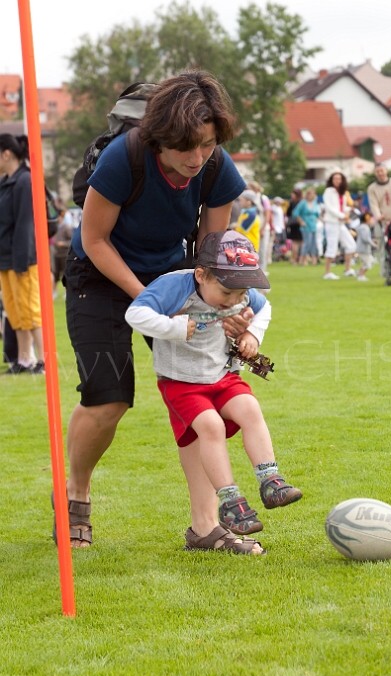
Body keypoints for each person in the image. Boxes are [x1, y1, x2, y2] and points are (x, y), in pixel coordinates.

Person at [60, 70, 252, 548]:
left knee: (200, 393)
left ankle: (205, 526)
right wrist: (145, 300)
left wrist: (222, 307)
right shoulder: (123, 159)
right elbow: (94, 239)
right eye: (186, 147)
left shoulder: (215, 167)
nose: (196, 158)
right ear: (160, 137)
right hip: (100, 276)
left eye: (207, 145)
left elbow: (212, 253)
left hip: (175, 278)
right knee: (109, 397)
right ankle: (75, 492)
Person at [125, 230, 302, 554]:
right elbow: (135, 314)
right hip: (182, 382)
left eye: (242, 293)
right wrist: (175, 328)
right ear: (201, 274)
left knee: (250, 409)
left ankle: (271, 481)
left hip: (222, 374)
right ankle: (230, 501)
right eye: (226, 292)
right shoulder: (173, 286)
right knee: (211, 427)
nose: (235, 300)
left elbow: (265, 308)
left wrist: (252, 335)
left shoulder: (239, 293)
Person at [0, 134, 45, 375]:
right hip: (5, 259)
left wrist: (21, 260)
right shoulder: (4, 182)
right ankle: (24, 358)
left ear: (6, 153)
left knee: (30, 310)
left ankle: (43, 359)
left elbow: (25, 224)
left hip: (22, 259)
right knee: (15, 312)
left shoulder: (24, 181)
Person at [322, 171, 357, 279]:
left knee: (351, 245)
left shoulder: (342, 193)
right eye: (335, 179)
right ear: (332, 180)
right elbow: (329, 207)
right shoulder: (329, 191)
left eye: (339, 179)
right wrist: (342, 215)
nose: (337, 181)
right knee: (332, 247)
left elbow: (341, 206)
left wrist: (348, 210)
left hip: (340, 223)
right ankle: (327, 273)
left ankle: (347, 269)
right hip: (332, 223)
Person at [292, 185, 321, 266]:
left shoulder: (315, 203)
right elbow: (295, 213)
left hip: (313, 225)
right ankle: (302, 259)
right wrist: (301, 221)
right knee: (306, 243)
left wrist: (317, 219)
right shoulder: (303, 203)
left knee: (313, 243)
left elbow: (317, 214)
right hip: (305, 225)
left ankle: (314, 259)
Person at [51, 206, 74, 298]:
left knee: (65, 274)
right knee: (55, 274)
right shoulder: (55, 228)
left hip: (64, 254)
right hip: (55, 254)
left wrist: (63, 244)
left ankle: (67, 292)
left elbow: (71, 242)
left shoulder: (66, 228)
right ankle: (54, 292)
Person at [355, 212, 377, 281]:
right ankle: (361, 275)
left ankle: (359, 272)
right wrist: (373, 244)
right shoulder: (364, 228)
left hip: (364, 249)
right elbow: (365, 238)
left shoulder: (364, 227)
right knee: (368, 263)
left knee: (369, 261)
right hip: (363, 249)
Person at [285, 188, 304, 264]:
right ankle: (300, 259)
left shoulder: (292, 202)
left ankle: (294, 259)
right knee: (300, 242)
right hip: (300, 223)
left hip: (293, 224)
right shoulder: (302, 202)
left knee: (295, 243)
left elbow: (288, 213)